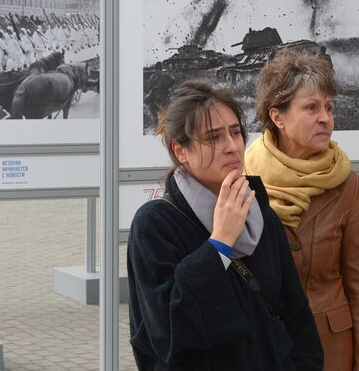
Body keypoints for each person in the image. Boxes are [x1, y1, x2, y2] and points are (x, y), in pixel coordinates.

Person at [127, 80, 323, 371]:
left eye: (235, 133)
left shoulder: (260, 214)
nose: (232, 147)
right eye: (214, 137)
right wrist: (219, 243)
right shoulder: (155, 225)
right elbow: (168, 331)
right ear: (181, 151)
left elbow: (295, 314)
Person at [245, 50, 359, 371]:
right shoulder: (242, 178)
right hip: (262, 345)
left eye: (329, 108)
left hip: (329, 348)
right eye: (311, 107)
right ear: (278, 117)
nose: (325, 118)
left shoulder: (346, 184)